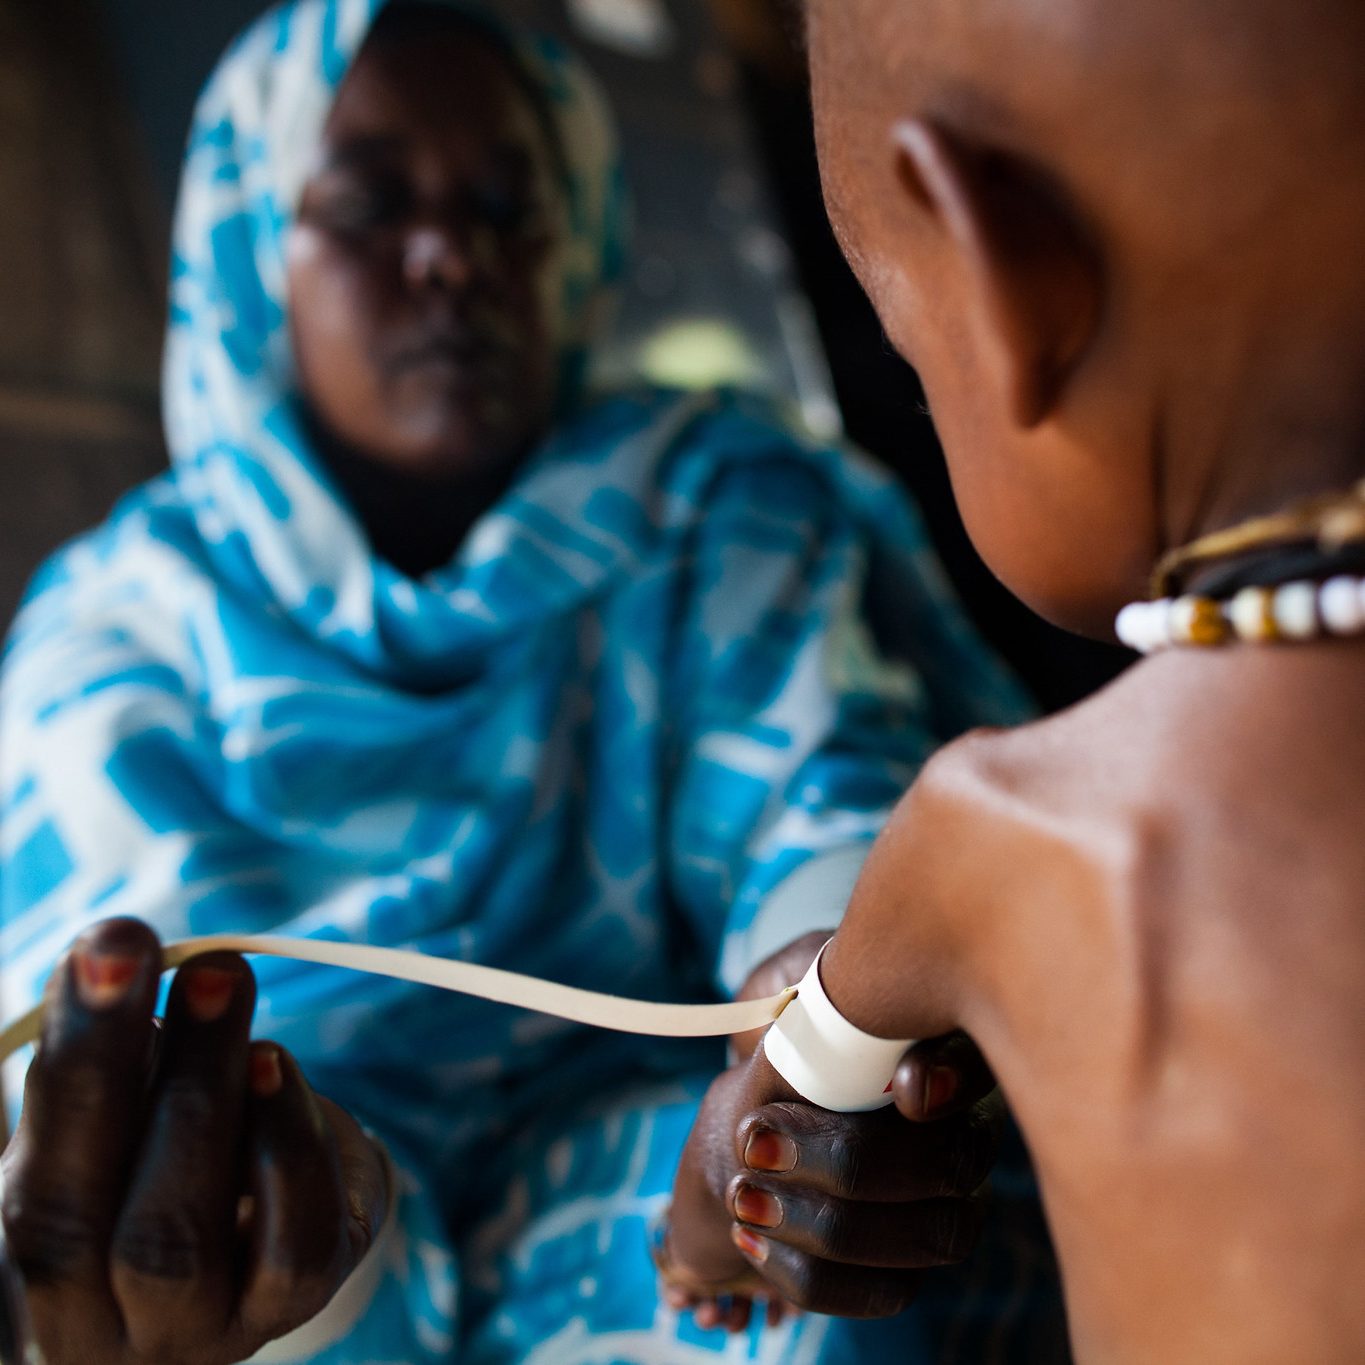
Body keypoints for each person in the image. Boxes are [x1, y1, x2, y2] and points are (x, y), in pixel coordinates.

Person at [0, 1, 1067, 1361]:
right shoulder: (120, 629)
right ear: (252, 249)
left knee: (804, 1286)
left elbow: (824, 795)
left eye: (509, 205)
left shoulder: (708, 505)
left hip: (650, 1199)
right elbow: (99, 1114)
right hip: (318, 1265)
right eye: (368, 205)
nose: (449, 256)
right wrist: (258, 1246)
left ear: (582, 248)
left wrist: (810, 1063)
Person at [664, 1, 1365, 1361]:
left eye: (921, 373)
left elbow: (767, 1125)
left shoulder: (1004, 831)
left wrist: (703, 1233)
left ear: (1004, 286)